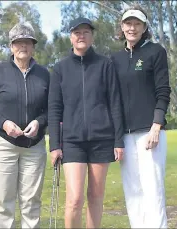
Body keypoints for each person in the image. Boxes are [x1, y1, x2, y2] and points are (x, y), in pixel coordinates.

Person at [48, 17, 125, 228]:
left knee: (96, 196)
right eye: (77, 33)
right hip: (72, 142)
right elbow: (54, 109)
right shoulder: (60, 68)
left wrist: (118, 140)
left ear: (92, 36)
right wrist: (54, 145)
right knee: (74, 199)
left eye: (85, 32)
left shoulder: (105, 65)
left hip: (102, 140)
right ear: (71, 37)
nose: (81, 36)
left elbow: (115, 104)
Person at [0, 22, 50, 228]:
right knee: (4, 203)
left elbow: (51, 109)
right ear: (11, 46)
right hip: (3, 144)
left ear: (33, 46)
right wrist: (4, 123)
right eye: (18, 43)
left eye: (27, 42)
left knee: (31, 202)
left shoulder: (44, 74)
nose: (23, 47)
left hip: (34, 147)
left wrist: (39, 122)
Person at [110, 6, 171, 228]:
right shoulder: (115, 58)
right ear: (122, 27)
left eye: (137, 24)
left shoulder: (156, 51)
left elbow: (163, 91)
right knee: (133, 191)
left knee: (153, 188)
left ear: (144, 27)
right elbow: (113, 99)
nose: (132, 28)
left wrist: (157, 125)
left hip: (150, 132)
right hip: (125, 135)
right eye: (128, 23)